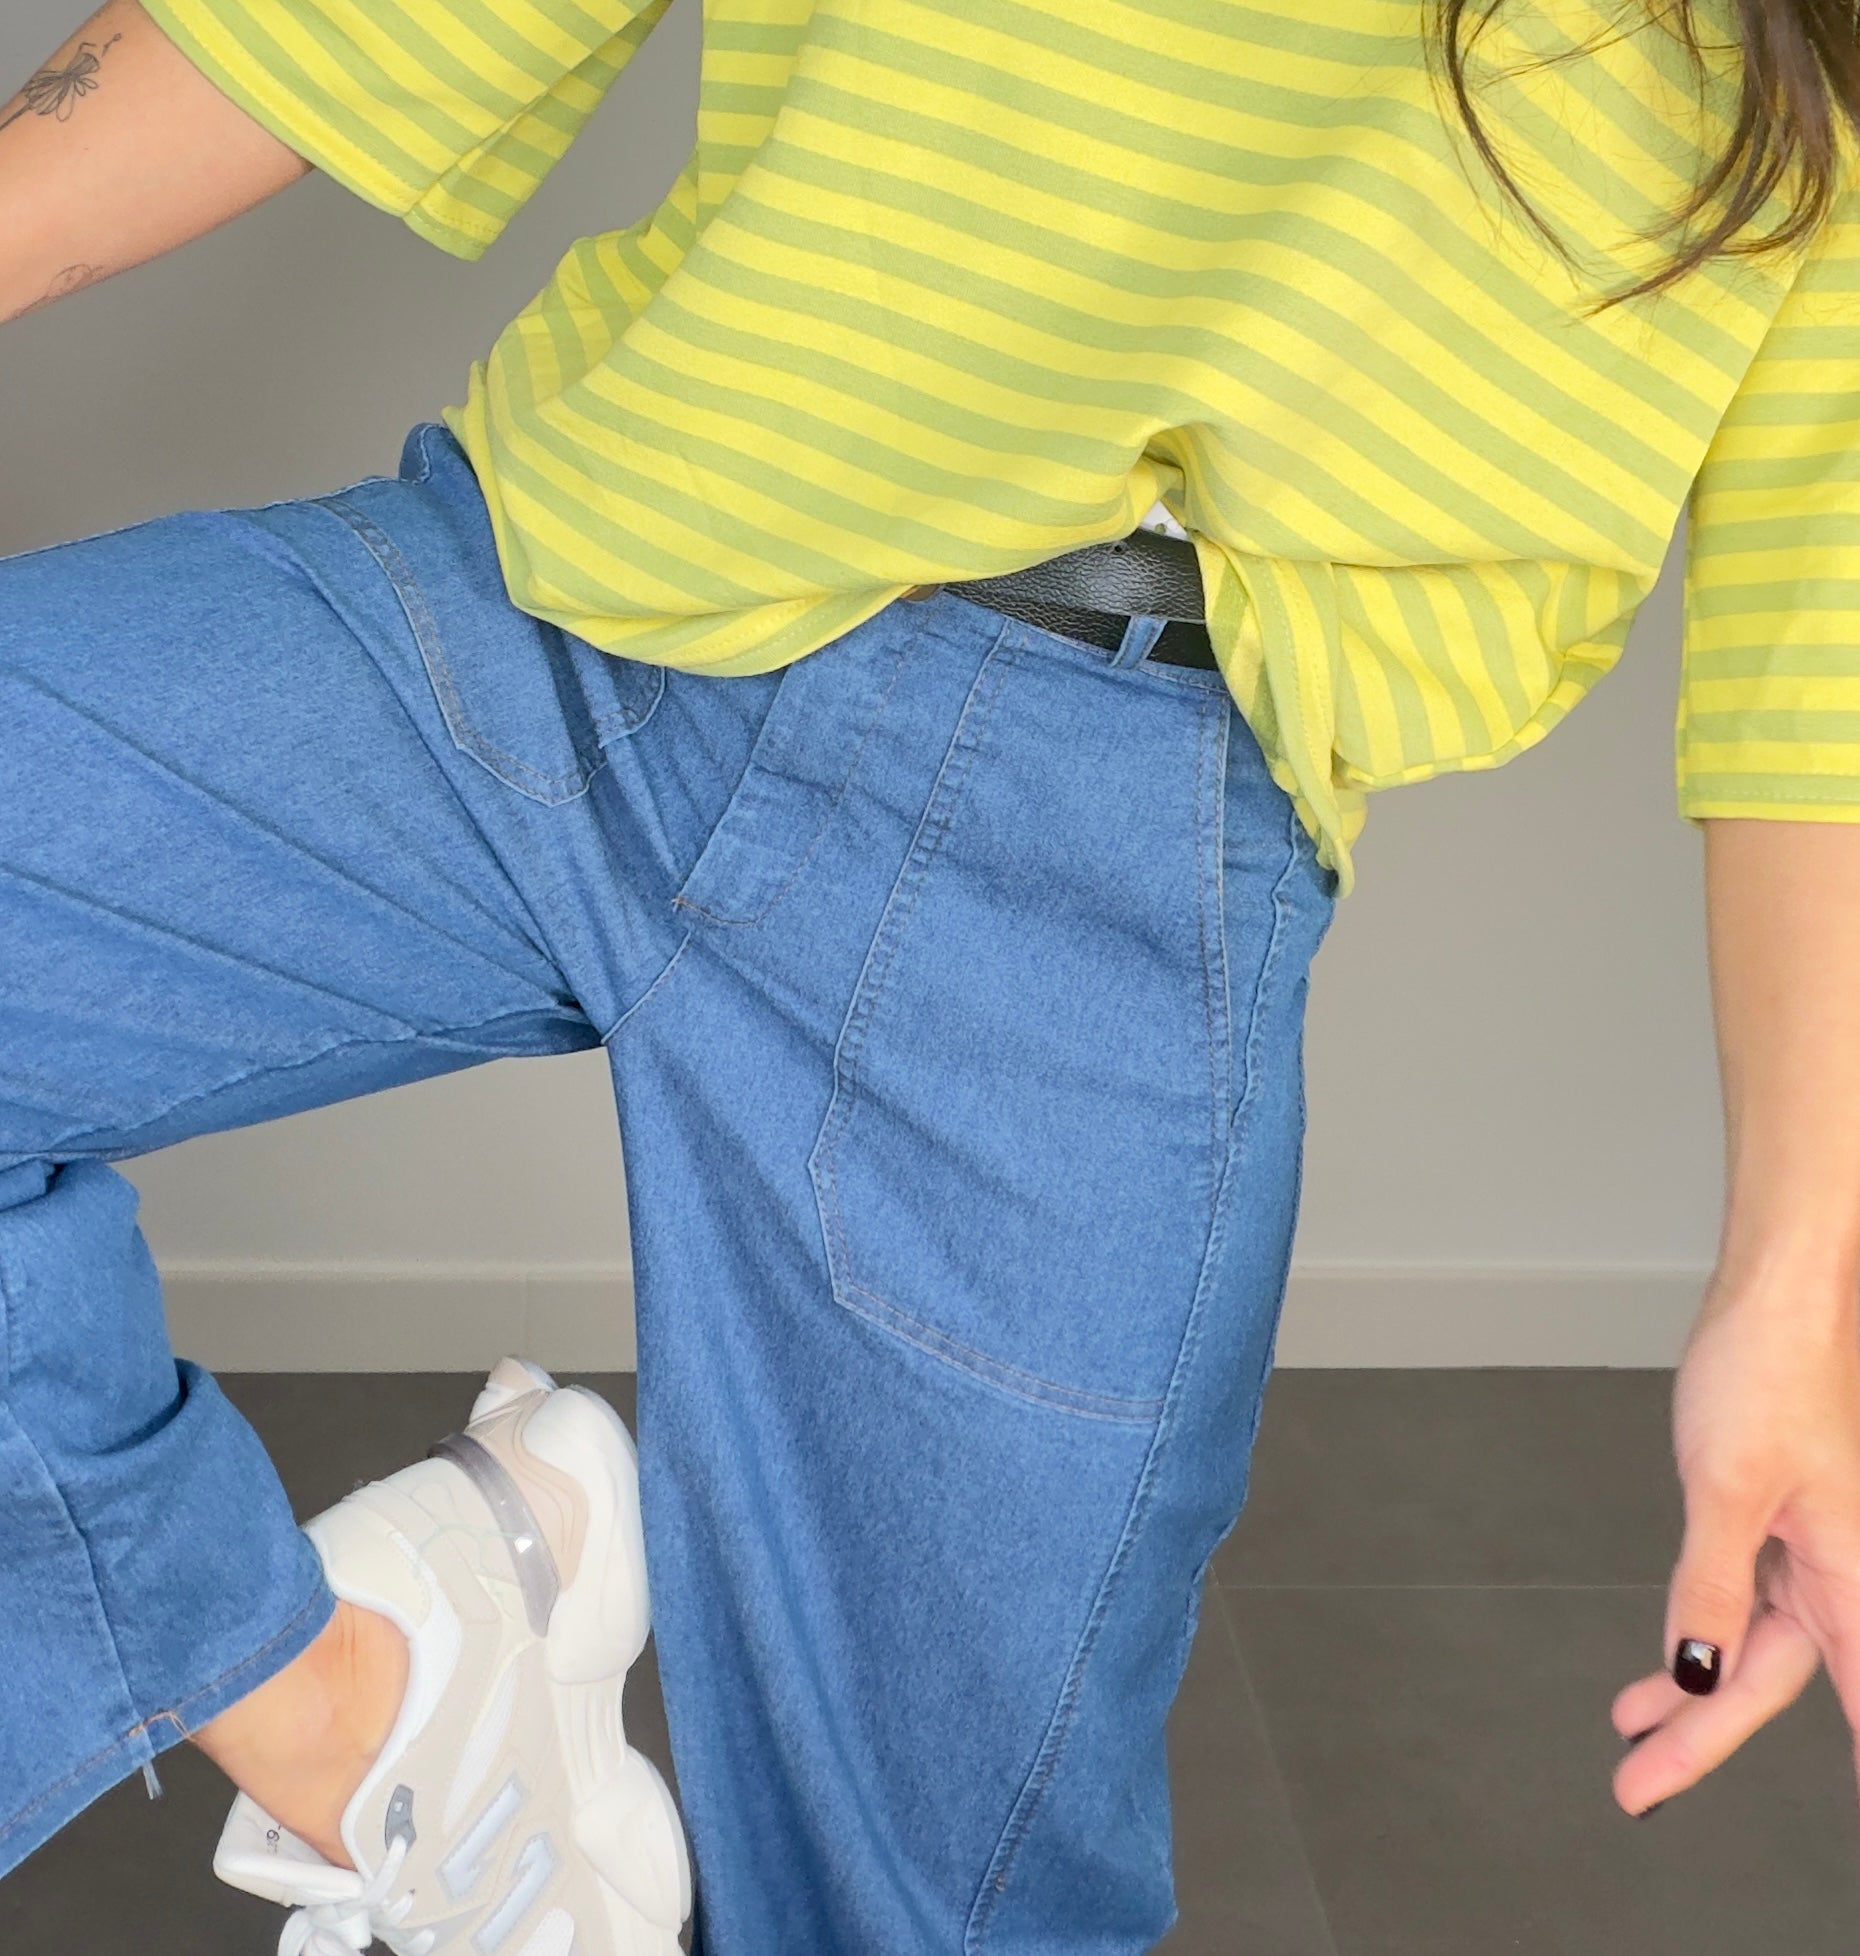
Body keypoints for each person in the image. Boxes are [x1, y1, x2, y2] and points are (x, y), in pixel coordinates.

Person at [6, 0, 1860, 1949]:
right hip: (581, 575)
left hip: (1091, 840)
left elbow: (1821, 629)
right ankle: (355, 1722)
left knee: (916, 1915)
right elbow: (336, 28)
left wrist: (1797, 1298)